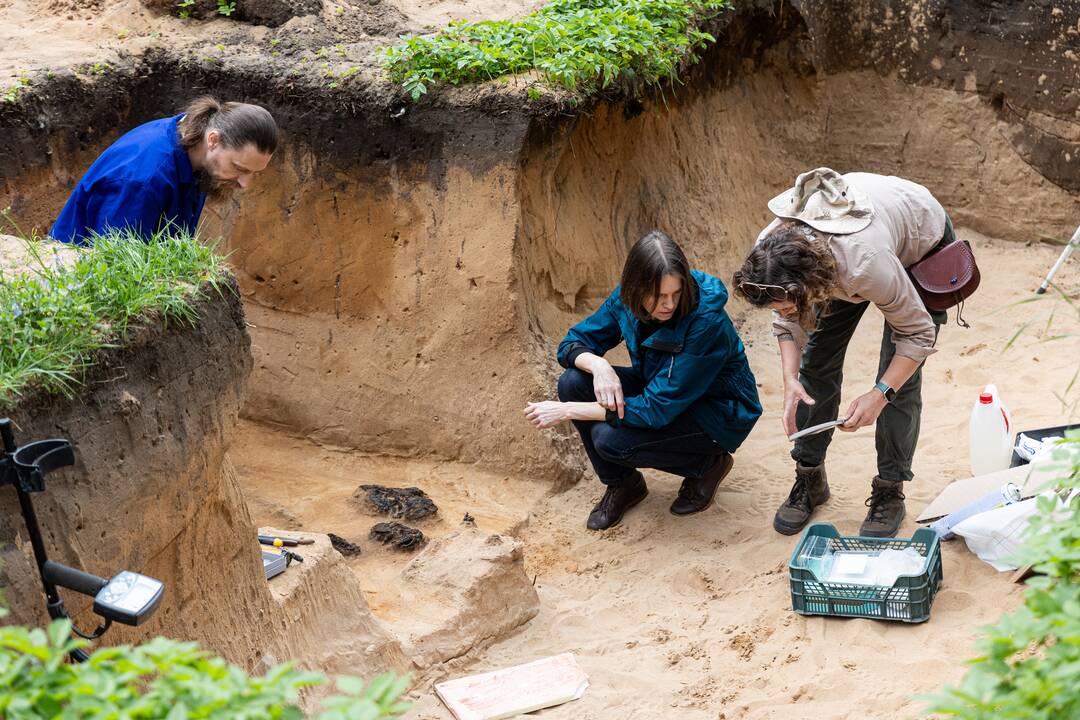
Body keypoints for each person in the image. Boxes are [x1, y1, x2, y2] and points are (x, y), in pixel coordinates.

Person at [733, 167, 953, 538]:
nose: (784, 311)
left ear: (807, 287)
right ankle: (809, 477)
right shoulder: (770, 252)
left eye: (788, 303)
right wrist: (789, 381)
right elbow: (786, 320)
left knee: (899, 380)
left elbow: (917, 335)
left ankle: (890, 490)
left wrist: (878, 395)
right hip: (842, 255)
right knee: (816, 361)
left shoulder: (865, 265)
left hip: (918, 239)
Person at [525, 231, 762, 531]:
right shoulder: (627, 298)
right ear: (636, 288)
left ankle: (707, 465)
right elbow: (573, 343)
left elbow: (656, 409)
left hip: (717, 413)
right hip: (660, 388)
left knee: (608, 440)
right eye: (659, 296)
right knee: (573, 382)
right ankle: (624, 485)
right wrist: (600, 366)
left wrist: (568, 411)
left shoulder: (706, 323)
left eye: (676, 294)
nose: (669, 304)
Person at [50, 96, 277, 245]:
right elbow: (113, 271)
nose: (244, 184)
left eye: (254, 173)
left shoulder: (198, 155)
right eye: (239, 168)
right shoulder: (143, 181)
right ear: (214, 140)